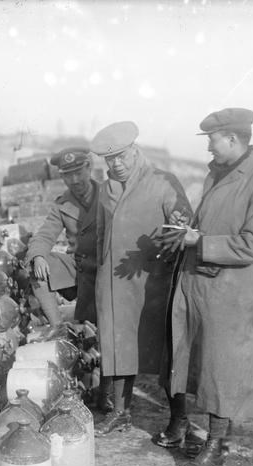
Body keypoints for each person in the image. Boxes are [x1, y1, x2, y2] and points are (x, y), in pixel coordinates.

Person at [155, 108, 253, 466]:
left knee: (221, 370)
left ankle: (215, 449)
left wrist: (202, 242)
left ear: (232, 138)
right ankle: (205, 432)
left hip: (229, 294)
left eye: (212, 139)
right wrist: (187, 227)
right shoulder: (218, 175)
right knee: (199, 364)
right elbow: (210, 223)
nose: (208, 147)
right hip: (200, 287)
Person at [90, 121, 193, 435]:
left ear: (135, 151)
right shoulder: (106, 188)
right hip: (113, 281)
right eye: (110, 160)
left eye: (121, 156)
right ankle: (121, 412)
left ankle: (178, 418)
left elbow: (183, 226)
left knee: (165, 350)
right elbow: (99, 234)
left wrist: (178, 223)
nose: (116, 164)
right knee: (118, 344)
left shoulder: (163, 182)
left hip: (153, 283)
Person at [26, 147, 100, 327]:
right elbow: (45, 235)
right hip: (80, 268)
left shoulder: (109, 195)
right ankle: (57, 327)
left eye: (78, 172)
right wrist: (38, 256)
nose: (75, 180)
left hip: (107, 266)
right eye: (68, 175)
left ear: (89, 168)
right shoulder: (62, 205)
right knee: (37, 265)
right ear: (62, 177)